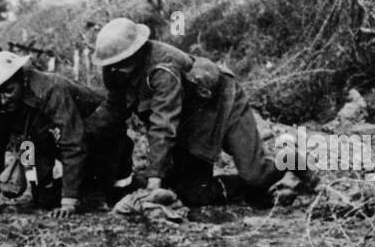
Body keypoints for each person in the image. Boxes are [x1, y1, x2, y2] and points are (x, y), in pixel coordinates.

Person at [92, 18, 310, 208]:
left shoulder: (163, 70)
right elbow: (113, 109)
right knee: (194, 194)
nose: (115, 71)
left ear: (137, 53)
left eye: (122, 63)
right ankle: (260, 193)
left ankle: (289, 159)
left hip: (222, 101)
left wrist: (154, 180)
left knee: (257, 175)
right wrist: (82, 133)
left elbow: (164, 124)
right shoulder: (115, 70)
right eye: (111, 65)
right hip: (191, 120)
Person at [0, 51, 131, 217]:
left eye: (8, 91)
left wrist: (69, 202)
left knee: (101, 198)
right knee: (44, 201)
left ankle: (112, 184)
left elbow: (73, 142)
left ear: (23, 79)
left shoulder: (52, 89)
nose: (4, 100)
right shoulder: (2, 102)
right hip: (58, 142)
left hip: (102, 141)